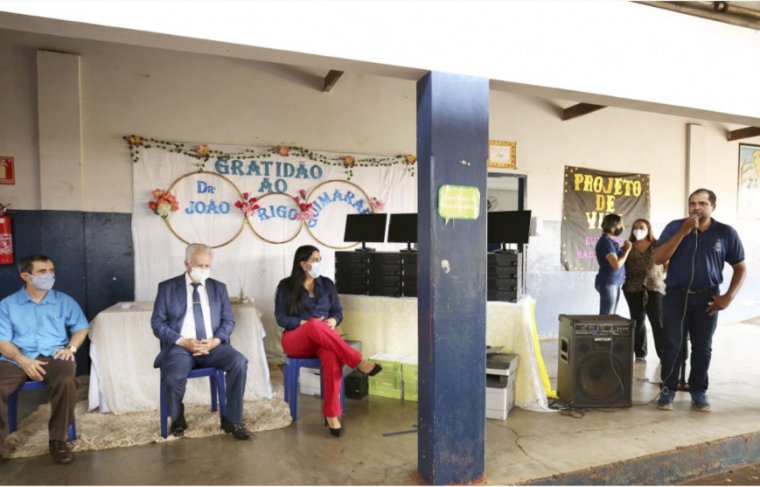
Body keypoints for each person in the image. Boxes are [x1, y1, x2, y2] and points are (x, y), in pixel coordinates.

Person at [275, 245, 382, 437]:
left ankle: (332, 415)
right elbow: (281, 319)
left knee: (332, 355)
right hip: (295, 339)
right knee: (315, 324)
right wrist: (306, 323)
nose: (318, 263)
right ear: (303, 264)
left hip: (324, 339)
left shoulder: (327, 284)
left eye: (319, 259)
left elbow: (337, 312)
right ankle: (357, 361)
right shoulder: (285, 285)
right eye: (314, 260)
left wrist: (333, 321)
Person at [654, 189, 746, 412]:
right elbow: (658, 258)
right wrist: (683, 232)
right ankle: (668, 390)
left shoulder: (725, 232)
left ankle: (698, 391)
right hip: (676, 296)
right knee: (673, 345)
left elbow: (740, 267)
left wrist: (728, 297)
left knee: (702, 347)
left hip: (708, 297)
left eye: (702, 203)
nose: (696, 207)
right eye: (692, 203)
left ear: (712, 207)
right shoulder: (675, 227)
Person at [151, 243, 252, 440]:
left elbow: (228, 321)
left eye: (207, 266)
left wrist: (216, 340)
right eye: (199, 265)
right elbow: (157, 324)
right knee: (173, 377)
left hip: (212, 345)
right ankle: (178, 416)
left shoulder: (219, 288)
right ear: (186, 263)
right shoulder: (167, 288)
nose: (203, 270)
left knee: (239, 362)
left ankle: (233, 419)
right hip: (181, 347)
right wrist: (181, 341)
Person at [0, 255, 89, 465]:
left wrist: (71, 348)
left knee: (66, 381)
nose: (49, 275)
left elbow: (81, 327)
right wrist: (23, 361)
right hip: (17, 357)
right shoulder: (7, 305)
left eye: (51, 270)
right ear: (26, 276)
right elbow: (2, 341)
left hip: (55, 355)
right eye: (42, 272)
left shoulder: (63, 300)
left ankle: (58, 441)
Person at [622, 218, 666, 361]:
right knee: (637, 320)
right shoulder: (628, 245)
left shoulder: (658, 244)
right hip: (633, 287)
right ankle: (640, 353)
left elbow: (667, 262)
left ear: (648, 229)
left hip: (655, 287)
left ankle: (663, 353)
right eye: (635, 227)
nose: (638, 230)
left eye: (641, 227)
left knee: (657, 320)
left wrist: (660, 276)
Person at [594, 213, 632, 314]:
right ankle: (599, 331)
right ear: (614, 226)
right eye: (620, 225)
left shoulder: (610, 242)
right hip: (609, 283)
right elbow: (616, 265)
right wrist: (627, 250)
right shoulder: (606, 242)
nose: (622, 228)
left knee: (611, 318)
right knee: (606, 318)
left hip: (614, 283)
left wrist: (623, 250)